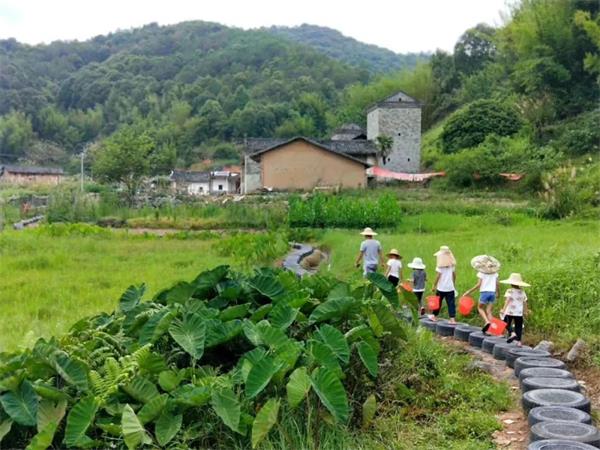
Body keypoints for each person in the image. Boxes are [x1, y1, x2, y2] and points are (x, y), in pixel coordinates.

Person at [462, 255, 501, 334]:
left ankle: (486, 321)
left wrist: (468, 292)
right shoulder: (495, 273)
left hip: (484, 293)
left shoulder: (481, 273)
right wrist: (497, 293)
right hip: (492, 293)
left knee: (480, 308)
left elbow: (478, 285)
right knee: (489, 311)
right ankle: (492, 330)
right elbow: (497, 284)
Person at [500, 273, 530, 347]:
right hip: (519, 312)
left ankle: (512, 333)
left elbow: (507, 300)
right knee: (518, 326)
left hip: (509, 311)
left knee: (505, 323)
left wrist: (503, 310)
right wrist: (526, 311)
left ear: (511, 283)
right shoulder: (522, 292)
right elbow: (525, 302)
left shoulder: (509, 290)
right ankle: (519, 342)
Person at [430, 245, 457, 323]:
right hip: (450, 288)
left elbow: (438, 276)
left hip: (441, 288)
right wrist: (453, 284)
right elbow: (454, 275)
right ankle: (452, 319)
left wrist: (434, 285)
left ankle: (434, 316)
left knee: (437, 302)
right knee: (451, 303)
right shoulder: (452, 265)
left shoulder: (440, 266)